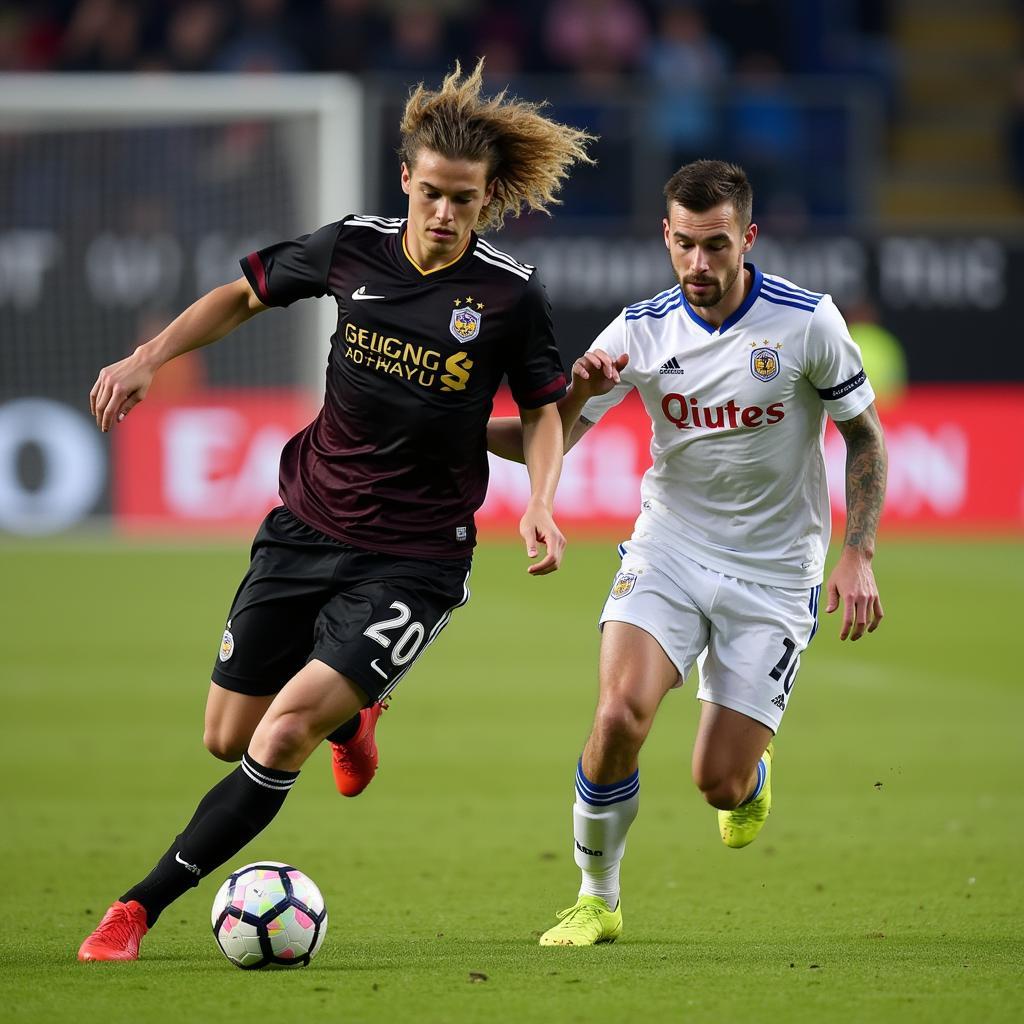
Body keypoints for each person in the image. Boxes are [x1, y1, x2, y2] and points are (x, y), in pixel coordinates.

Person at [78, 59, 594, 962]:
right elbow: (244, 292)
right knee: (225, 735)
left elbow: (546, 410)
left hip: (416, 559)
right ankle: (356, 716)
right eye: (431, 193)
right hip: (305, 523)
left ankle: (136, 908)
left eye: (463, 201)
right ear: (405, 180)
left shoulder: (510, 295)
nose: (444, 215)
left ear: (488, 199)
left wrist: (542, 502)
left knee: (279, 734)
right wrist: (148, 356)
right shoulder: (352, 246)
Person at [488, 159, 887, 946]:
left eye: (716, 246)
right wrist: (564, 395)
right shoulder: (637, 332)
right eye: (683, 245)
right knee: (617, 716)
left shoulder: (808, 323)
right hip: (668, 547)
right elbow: (553, 437)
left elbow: (864, 437)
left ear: (748, 237)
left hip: (776, 574)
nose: (698, 265)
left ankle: (749, 781)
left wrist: (859, 551)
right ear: (664, 237)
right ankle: (596, 899)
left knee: (718, 781)